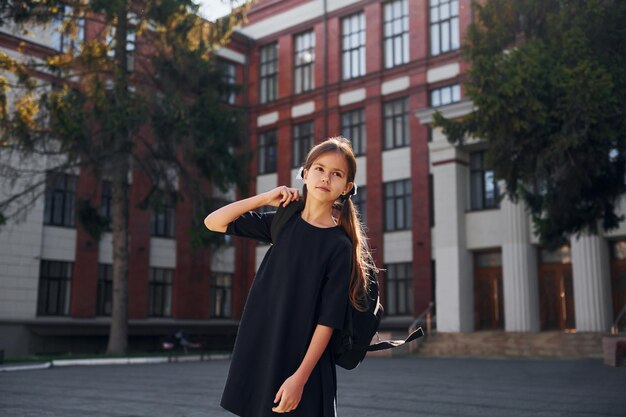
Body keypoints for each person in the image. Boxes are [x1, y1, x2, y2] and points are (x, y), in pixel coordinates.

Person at [204, 136, 377, 416]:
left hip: (303, 362)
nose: (325, 178)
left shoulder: (339, 245)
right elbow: (214, 222)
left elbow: (328, 320)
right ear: (305, 174)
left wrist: (300, 378)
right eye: (319, 169)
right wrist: (264, 198)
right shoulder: (283, 221)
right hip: (266, 346)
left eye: (336, 174)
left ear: (346, 188)